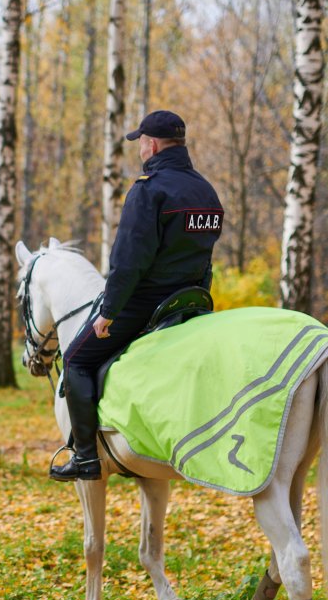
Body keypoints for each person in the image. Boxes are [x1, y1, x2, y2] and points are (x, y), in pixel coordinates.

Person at [50, 110, 225, 481]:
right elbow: (204, 256)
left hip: (147, 302)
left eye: (141, 142)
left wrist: (109, 312)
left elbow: (128, 262)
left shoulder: (148, 190)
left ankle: (85, 457)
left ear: (153, 145)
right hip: (191, 300)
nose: (141, 149)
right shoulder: (206, 191)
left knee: (76, 359)